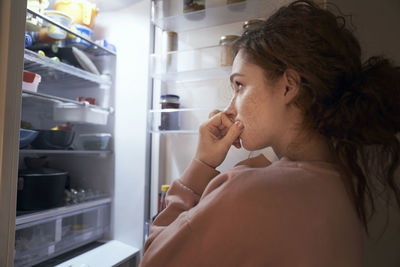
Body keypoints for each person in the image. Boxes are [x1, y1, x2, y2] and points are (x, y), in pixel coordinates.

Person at [140, 1, 400, 266]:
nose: (230, 109)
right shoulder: (340, 182)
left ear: (288, 87)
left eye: (239, 85)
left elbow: (152, 260)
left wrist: (201, 165)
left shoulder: (247, 190)